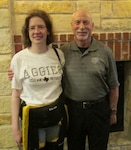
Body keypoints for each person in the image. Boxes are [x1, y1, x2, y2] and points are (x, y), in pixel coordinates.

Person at [61, 9, 119, 150]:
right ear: (71, 26)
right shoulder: (62, 52)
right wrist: (17, 71)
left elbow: (114, 85)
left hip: (99, 111)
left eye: (86, 22)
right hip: (73, 112)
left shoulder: (105, 52)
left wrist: (113, 111)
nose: (82, 27)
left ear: (92, 26)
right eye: (78, 22)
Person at [10, 9, 67, 150]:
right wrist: (15, 128)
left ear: (48, 31)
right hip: (31, 121)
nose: (37, 31)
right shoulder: (19, 59)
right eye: (32, 28)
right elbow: (16, 94)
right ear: (27, 32)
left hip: (55, 117)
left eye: (41, 27)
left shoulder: (58, 55)